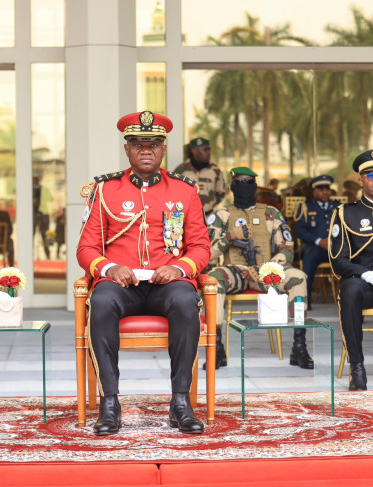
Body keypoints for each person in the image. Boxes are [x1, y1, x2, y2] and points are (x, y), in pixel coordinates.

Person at [77, 111, 211, 436]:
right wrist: (109, 268)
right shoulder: (107, 190)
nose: (146, 150)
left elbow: (201, 248)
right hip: (123, 285)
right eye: (139, 144)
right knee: (102, 299)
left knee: (185, 299)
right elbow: (86, 249)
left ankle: (181, 403)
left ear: (164, 149)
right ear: (127, 149)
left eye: (154, 144)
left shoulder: (184, 191)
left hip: (167, 284)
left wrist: (178, 267)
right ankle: (110, 404)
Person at [206, 166, 311, 370]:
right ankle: (216, 346)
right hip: (235, 272)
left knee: (298, 277)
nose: (244, 187)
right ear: (232, 186)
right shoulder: (222, 214)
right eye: (239, 183)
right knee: (213, 280)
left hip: (267, 272)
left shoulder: (270, 213)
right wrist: (230, 237)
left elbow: (287, 248)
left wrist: (270, 268)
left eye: (248, 183)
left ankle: (299, 345)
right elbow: (207, 252)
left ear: (255, 186)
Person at [329, 149, 373, 391]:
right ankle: (356, 367)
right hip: (365, 284)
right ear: (361, 181)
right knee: (348, 290)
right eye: (370, 175)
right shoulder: (345, 213)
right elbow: (338, 260)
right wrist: (367, 274)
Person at [294, 175, 341, 308]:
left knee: (354, 260)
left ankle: (352, 301)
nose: (325, 192)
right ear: (314, 191)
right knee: (308, 261)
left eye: (327, 189)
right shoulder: (306, 207)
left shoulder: (338, 207)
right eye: (321, 189)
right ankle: (306, 301)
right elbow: (300, 231)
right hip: (314, 247)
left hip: (336, 247)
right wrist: (319, 241)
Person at [173, 137, 227, 216]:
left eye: (209, 149)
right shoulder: (181, 171)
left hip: (208, 217)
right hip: (187, 217)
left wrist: (209, 204)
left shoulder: (215, 170)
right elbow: (174, 193)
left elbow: (221, 192)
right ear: (194, 151)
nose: (208, 152)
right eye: (205, 149)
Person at [33, 175, 52, 260]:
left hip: (43, 215)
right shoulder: (29, 190)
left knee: (45, 237)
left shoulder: (44, 190)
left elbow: (50, 199)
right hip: (33, 215)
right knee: (31, 236)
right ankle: (30, 254)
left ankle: (47, 253)